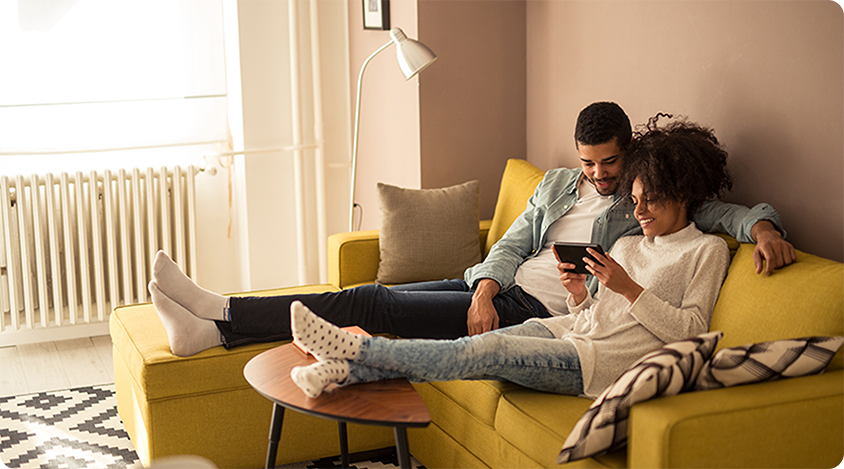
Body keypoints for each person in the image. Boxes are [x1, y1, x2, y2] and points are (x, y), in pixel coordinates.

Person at [149, 102, 795, 357]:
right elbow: (512, 242)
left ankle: (221, 315)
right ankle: (214, 327)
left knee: (372, 303)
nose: (599, 175)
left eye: (609, 163)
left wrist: (763, 226)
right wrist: (484, 286)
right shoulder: (556, 184)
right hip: (492, 289)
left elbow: (722, 213)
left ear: (629, 154)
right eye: (589, 163)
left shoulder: (643, 200)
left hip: (534, 311)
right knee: (366, 298)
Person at [287, 115, 733, 399]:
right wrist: (579, 294)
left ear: (682, 194)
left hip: (599, 362)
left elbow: (692, 332)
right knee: (467, 346)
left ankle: (355, 349)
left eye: (650, 200)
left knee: (486, 351)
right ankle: (343, 370)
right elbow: (593, 312)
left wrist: (629, 289)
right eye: (634, 201)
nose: (638, 212)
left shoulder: (705, 251)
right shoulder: (629, 244)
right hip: (566, 329)